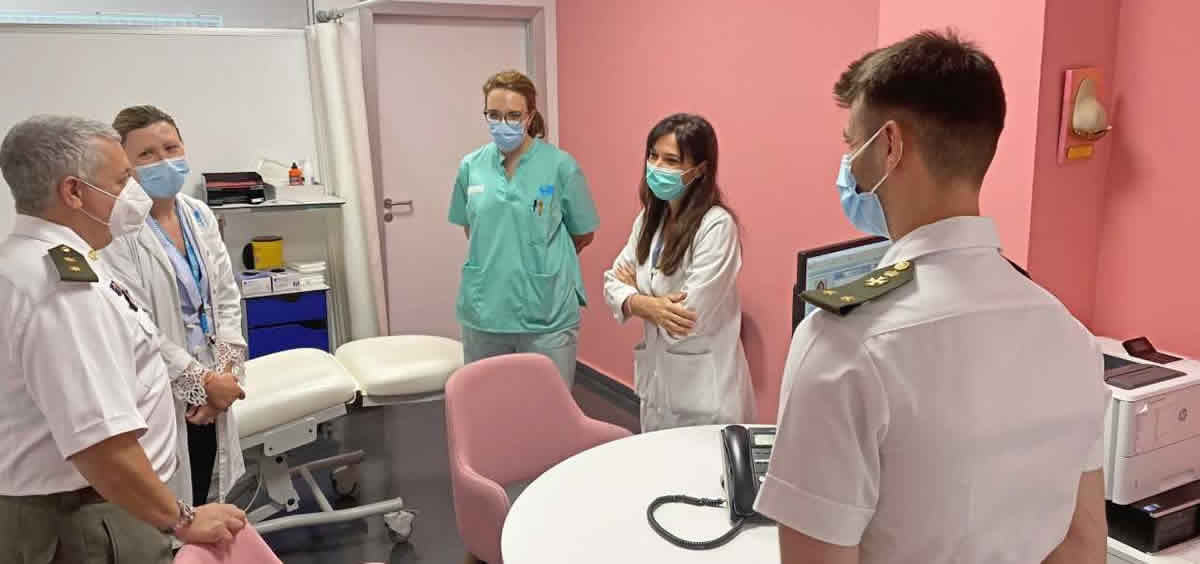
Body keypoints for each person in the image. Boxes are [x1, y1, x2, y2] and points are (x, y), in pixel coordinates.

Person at [754, 31, 1110, 563]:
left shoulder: (843, 345)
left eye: (853, 145)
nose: (848, 166)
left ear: (891, 146)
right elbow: (1082, 545)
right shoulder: (1068, 335)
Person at [0, 115, 246, 563]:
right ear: (74, 192)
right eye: (124, 177)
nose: (135, 189)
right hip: (86, 518)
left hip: (106, 504)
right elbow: (100, 443)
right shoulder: (60, 290)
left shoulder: (51, 264)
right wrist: (183, 519)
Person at [101, 105, 246, 506]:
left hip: (216, 380)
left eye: (171, 147)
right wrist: (200, 383)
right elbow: (135, 322)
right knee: (173, 498)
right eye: (146, 155)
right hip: (163, 384)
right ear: (124, 165)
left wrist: (225, 376)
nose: (163, 161)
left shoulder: (198, 214)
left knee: (207, 491)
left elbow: (226, 296)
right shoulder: (117, 230)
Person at [602, 114, 755, 432]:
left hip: (704, 395)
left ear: (699, 170)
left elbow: (686, 317)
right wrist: (650, 305)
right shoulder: (649, 220)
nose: (657, 167)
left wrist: (636, 298)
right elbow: (612, 282)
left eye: (671, 160)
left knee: (703, 475)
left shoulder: (716, 226)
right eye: (653, 156)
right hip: (657, 386)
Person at [447, 70, 600, 386]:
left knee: (547, 411)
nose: (503, 123)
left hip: (547, 311)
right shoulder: (471, 167)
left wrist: (538, 259)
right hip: (484, 310)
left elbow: (582, 233)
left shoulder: (560, 166)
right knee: (489, 407)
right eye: (494, 115)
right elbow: (473, 228)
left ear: (530, 116)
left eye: (514, 115)